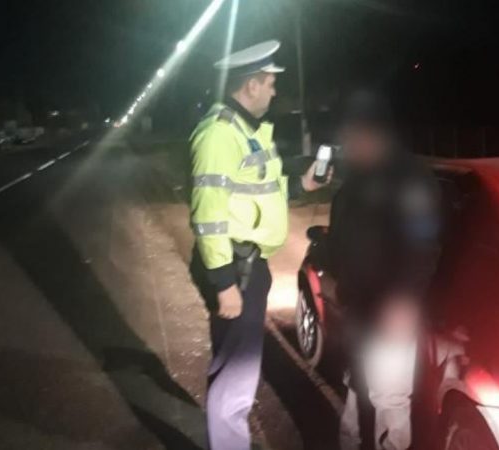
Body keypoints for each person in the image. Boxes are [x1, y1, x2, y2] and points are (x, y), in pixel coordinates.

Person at [188, 40, 330, 450]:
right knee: (237, 373)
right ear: (251, 84)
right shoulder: (219, 135)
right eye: (269, 83)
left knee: (235, 365)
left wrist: (302, 185)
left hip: (249, 266)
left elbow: (260, 192)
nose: (274, 90)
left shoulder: (248, 131)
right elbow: (208, 214)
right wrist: (224, 283)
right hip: (236, 269)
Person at [329, 90, 441, 450]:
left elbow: (422, 246)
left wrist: (403, 302)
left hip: (391, 311)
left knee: (389, 399)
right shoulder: (356, 181)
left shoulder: (411, 178)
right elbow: (342, 237)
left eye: (350, 135)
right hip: (358, 307)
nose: (346, 144)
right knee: (357, 386)